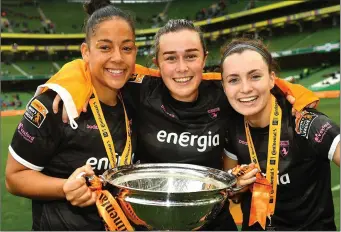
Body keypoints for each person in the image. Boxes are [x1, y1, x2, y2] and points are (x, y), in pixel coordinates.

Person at [40, 19, 318, 230]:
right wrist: (68, 84)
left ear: (205, 59)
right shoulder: (140, 89)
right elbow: (94, 65)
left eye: (191, 56)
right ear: (157, 64)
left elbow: (266, 83)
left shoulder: (223, 91)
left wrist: (299, 96)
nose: (182, 68)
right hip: (149, 222)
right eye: (170, 58)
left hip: (213, 223)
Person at [5, 1, 138, 230]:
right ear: (86, 52)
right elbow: (14, 177)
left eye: (127, 48)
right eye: (105, 48)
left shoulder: (136, 99)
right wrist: (65, 187)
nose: (118, 57)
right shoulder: (54, 105)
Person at [221, 38, 340, 231]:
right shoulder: (231, 127)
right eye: (234, 80)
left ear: (271, 79)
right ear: (224, 87)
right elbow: (232, 193)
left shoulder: (305, 122)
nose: (245, 88)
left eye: (255, 76)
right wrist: (235, 185)